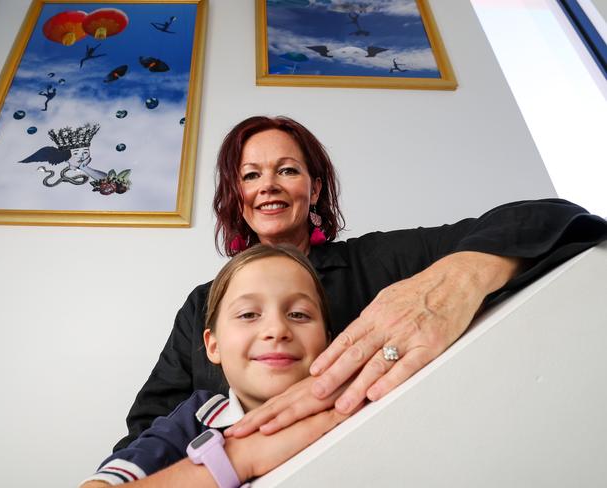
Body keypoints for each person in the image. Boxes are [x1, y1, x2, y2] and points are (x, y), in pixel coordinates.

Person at [112, 115, 607, 451]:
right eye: (251, 175)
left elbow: (550, 216)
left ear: (315, 188)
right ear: (235, 195)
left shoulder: (379, 261)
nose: (269, 185)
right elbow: (144, 433)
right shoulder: (201, 304)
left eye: (288, 170)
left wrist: (450, 283)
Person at [81, 244, 352, 487]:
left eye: (298, 314)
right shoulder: (194, 419)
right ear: (214, 346)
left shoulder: (351, 411)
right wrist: (237, 459)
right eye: (248, 314)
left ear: (329, 342)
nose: (277, 329)